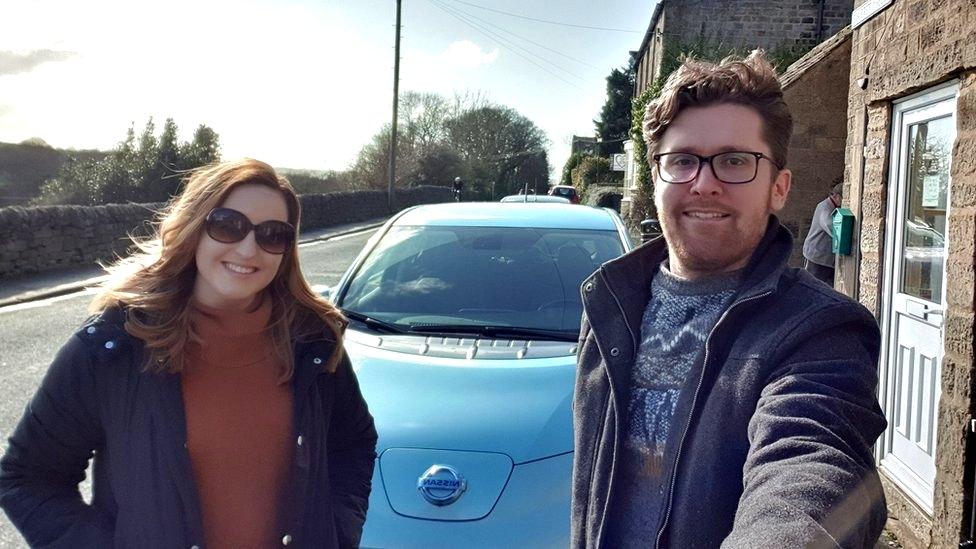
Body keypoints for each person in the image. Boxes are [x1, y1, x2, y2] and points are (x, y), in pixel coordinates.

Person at [571, 52, 887, 548]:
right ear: (656, 179)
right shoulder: (611, 306)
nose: (704, 182)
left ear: (779, 188)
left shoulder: (821, 330)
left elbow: (811, 467)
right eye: (682, 161)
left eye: (736, 161)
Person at [0, 159, 377, 548]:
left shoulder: (311, 341)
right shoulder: (116, 344)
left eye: (272, 234)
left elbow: (353, 443)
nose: (249, 249)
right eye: (228, 225)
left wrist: (336, 533)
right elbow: (28, 477)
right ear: (195, 229)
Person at [803, 182, 843, 285]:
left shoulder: (829, 206)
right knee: (812, 287)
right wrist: (843, 237)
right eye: (842, 199)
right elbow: (828, 223)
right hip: (817, 256)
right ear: (837, 197)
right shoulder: (825, 207)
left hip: (823, 257)